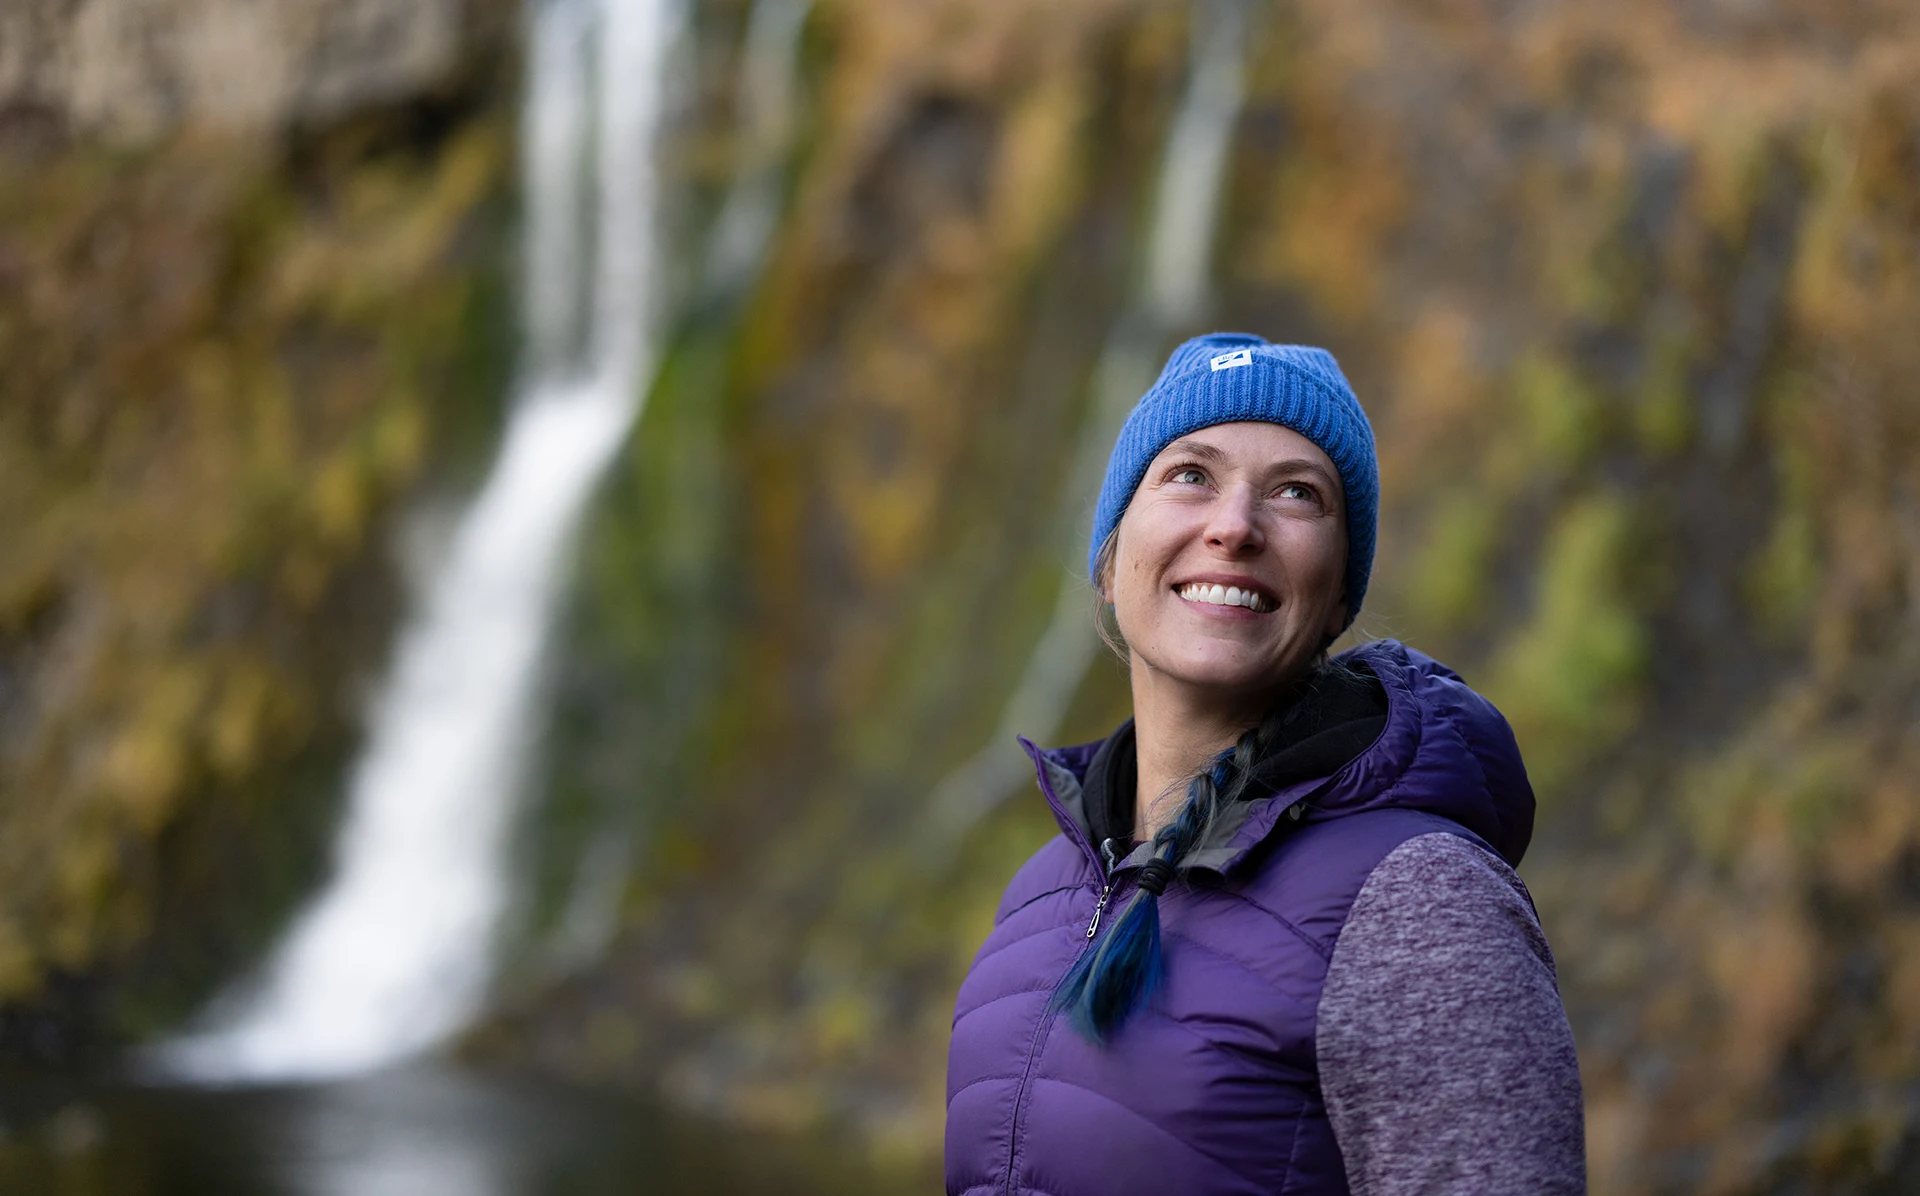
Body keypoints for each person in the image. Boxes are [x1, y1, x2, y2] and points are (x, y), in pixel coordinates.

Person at [944, 333, 1586, 1195]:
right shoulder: (1042, 892)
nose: (1235, 526)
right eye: (1190, 476)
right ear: (1109, 558)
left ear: (1336, 601)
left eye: (1296, 494)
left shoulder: (1420, 901)